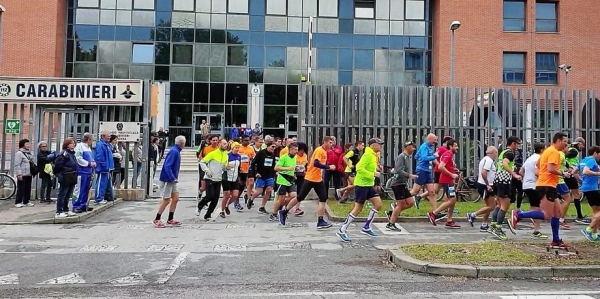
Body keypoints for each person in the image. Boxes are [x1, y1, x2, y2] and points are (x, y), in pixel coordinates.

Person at [509, 132, 570, 248]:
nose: (566, 144)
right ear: (558, 141)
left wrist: (542, 172)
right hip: (547, 186)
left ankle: (556, 240)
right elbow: (551, 169)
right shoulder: (554, 152)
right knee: (547, 215)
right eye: (565, 141)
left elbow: (538, 164)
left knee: (557, 213)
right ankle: (519, 214)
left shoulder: (547, 151)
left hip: (547, 184)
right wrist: (563, 173)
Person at [278, 137, 336, 229]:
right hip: (310, 178)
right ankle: (284, 211)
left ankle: (320, 221)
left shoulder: (324, 152)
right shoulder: (319, 150)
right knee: (300, 197)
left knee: (323, 198)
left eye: (332, 142)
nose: (331, 144)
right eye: (330, 142)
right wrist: (328, 167)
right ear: (324, 142)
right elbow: (316, 163)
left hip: (318, 179)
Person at [335, 138, 385, 242]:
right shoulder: (367, 155)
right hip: (362, 185)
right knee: (357, 209)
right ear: (373, 145)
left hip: (368, 185)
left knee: (378, 204)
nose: (380, 146)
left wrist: (377, 169)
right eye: (379, 144)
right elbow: (359, 168)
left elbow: (368, 167)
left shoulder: (372, 155)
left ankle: (366, 227)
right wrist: (373, 174)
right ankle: (342, 230)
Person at [489, 136, 522, 240]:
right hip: (504, 182)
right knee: (505, 205)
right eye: (517, 144)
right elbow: (504, 164)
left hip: (497, 180)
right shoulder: (510, 153)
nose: (517, 146)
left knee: (499, 204)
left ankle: (493, 225)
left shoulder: (503, 151)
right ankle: (498, 228)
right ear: (512, 144)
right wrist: (514, 174)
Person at [384, 141, 418, 231]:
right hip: (397, 184)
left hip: (402, 184)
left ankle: (392, 213)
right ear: (407, 147)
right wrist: (410, 175)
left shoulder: (407, 157)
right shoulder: (401, 157)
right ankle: (391, 224)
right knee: (400, 204)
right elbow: (398, 170)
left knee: (410, 202)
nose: (414, 149)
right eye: (413, 147)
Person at [412, 134, 446, 221]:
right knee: (415, 191)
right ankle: (397, 204)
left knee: (432, 192)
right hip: (422, 171)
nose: (436, 142)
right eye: (434, 140)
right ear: (429, 139)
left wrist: (439, 166)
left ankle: (435, 213)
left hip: (427, 171)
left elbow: (417, 156)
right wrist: (435, 156)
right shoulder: (424, 146)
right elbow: (424, 158)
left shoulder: (428, 147)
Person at [154, 135, 185, 228]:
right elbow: (167, 166)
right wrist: (172, 177)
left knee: (175, 198)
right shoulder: (174, 152)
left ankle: (170, 218)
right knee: (166, 200)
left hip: (172, 180)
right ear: (182, 143)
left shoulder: (176, 151)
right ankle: (157, 219)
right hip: (168, 179)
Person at [429, 139, 461, 228]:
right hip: (447, 180)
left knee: (452, 201)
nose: (457, 148)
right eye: (455, 146)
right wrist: (451, 174)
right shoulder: (448, 154)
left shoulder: (449, 154)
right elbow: (440, 166)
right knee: (452, 200)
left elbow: (445, 166)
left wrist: (453, 170)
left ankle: (449, 220)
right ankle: (433, 213)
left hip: (449, 180)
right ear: (450, 146)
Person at [519, 143, 547, 239]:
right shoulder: (540, 159)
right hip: (536, 185)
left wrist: (526, 178)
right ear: (542, 150)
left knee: (534, 207)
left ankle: (536, 229)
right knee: (539, 208)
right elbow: (537, 173)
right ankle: (536, 229)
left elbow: (521, 171)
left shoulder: (529, 158)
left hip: (526, 185)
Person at [466, 146, 498, 232]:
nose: (496, 155)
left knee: (489, 205)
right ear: (491, 153)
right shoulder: (489, 160)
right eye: (496, 153)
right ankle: (472, 214)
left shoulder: (485, 159)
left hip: (483, 184)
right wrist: (487, 184)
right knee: (491, 206)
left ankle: (484, 224)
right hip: (485, 185)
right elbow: (484, 173)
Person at [198, 138, 229, 221]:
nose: (226, 145)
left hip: (218, 179)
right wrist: (207, 170)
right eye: (224, 144)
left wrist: (227, 168)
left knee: (215, 199)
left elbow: (223, 168)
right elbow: (202, 162)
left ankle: (208, 215)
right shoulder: (213, 153)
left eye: (226, 144)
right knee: (210, 196)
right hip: (210, 178)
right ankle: (200, 205)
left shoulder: (226, 154)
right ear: (219, 144)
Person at [271, 142, 298, 222]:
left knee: (294, 196)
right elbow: (276, 168)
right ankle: (274, 214)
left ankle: (282, 208)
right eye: (295, 150)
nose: (297, 151)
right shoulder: (284, 157)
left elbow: (292, 167)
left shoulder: (295, 157)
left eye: (297, 149)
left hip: (290, 180)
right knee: (281, 198)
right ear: (290, 150)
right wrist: (287, 169)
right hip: (282, 180)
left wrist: (295, 170)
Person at [247, 141, 277, 213]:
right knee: (259, 191)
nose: (273, 148)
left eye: (275, 147)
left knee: (269, 190)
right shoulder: (261, 153)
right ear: (268, 146)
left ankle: (262, 207)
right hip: (261, 175)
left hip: (269, 175)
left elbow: (273, 165)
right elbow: (253, 164)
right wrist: (256, 173)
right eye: (272, 146)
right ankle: (251, 199)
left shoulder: (273, 154)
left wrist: (274, 173)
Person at [53, 138, 78, 218]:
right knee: (62, 194)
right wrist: (59, 173)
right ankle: (59, 211)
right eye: (71, 143)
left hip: (71, 176)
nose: (73, 144)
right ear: (67, 144)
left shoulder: (72, 154)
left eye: (73, 143)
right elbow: (58, 165)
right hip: (65, 176)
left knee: (68, 194)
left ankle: (65, 209)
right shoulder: (64, 153)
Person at [579, 146, 600, 241]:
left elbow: (574, 172)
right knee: (598, 212)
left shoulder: (584, 160)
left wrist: (582, 181)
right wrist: (598, 174)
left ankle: (594, 235)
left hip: (587, 188)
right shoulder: (591, 160)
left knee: (596, 212)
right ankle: (588, 229)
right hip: (592, 189)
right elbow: (585, 171)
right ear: (596, 153)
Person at [72, 133, 96, 212]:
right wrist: (89, 164)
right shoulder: (79, 147)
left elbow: (89, 158)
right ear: (88, 140)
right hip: (81, 171)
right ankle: (75, 205)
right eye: (92, 140)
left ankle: (83, 204)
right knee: (78, 189)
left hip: (87, 171)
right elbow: (78, 159)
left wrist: (92, 162)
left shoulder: (88, 148)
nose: (92, 141)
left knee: (85, 189)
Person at [220, 142, 242, 218]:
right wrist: (226, 167)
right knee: (227, 195)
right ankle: (222, 211)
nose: (237, 149)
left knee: (235, 195)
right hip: (226, 178)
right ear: (232, 148)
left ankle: (226, 205)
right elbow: (222, 166)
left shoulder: (239, 156)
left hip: (235, 178)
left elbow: (239, 168)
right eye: (236, 147)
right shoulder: (227, 155)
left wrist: (240, 175)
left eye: (238, 148)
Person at [14, 139, 36, 208]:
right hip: (22, 173)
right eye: (26, 144)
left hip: (29, 173)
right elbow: (17, 164)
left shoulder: (28, 153)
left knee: (28, 188)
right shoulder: (19, 153)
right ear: (22, 145)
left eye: (28, 144)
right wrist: (19, 174)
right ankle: (18, 202)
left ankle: (26, 201)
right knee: (21, 188)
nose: (28, 145)